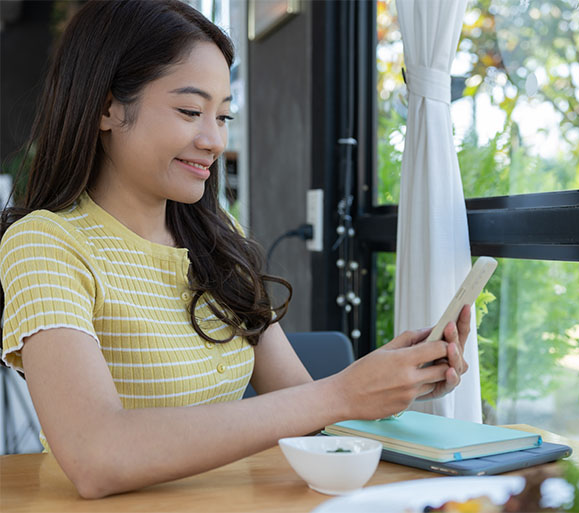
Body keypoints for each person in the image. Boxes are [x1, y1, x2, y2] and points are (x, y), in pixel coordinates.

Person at [0, 0, 471, 499]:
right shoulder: (46, 243)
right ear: (106, 107)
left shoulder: (215, 237)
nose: (213, 140)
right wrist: (340, 394)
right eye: (189, 111)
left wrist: (390, 385)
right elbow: (97, 457)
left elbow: (306, 409)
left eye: (222, 116)